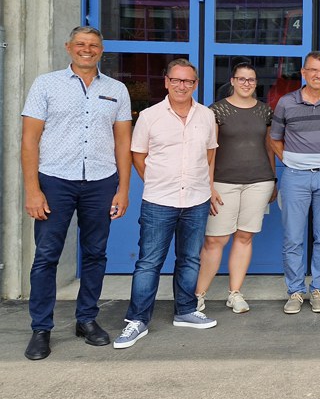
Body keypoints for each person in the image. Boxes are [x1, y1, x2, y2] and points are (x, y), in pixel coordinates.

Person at [21, 27, 133, 360]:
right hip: (55, 180)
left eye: (94, 45)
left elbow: (123, 142)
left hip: (100, 181)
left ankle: (86, 319)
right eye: (81, 44)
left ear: (101, 51)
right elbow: (29, 140)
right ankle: (41, 328)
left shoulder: (116, 90)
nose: (87, 49)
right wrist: (32, 190)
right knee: (47, 256)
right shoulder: (46, 84)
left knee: (96, 254)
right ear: (69, 47)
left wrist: (123, 189)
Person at [115, 59, 218, 349]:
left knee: (190, 259)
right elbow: (138, 155)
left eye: (188, 81)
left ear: (195, 84)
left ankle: (185, 310)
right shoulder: (150, 117)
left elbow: (210, 154)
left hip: (196, 199)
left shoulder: (206, 116)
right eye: (176, 80)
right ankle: (137, 320)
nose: (181, 86)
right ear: (166, 82)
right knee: (149, 262)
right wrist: (157, 180)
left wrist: (206, 187)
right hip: (159, 200)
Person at [270, 51, 320, 315]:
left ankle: (318, 291)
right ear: (303, 72)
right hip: (295, 176)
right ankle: (294, 291)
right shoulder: (286, 102)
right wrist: (291, 161)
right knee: (293, 237)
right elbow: (275, 138)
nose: (318, 75)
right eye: (313, 70)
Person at [193, 63, 276, 315]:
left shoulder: (265, 111)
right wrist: (209, 185)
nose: (246, 83)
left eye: (251, 79)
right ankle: (198, 295)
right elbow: (209, 150)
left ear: (256, 83)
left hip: (259, 181)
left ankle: (235, 293)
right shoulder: (216, 110)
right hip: (223, 183)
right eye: (242, 79)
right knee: (215, 240)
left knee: (244, 236)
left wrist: (273, 179)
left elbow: (269, 146)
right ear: (232, 81)